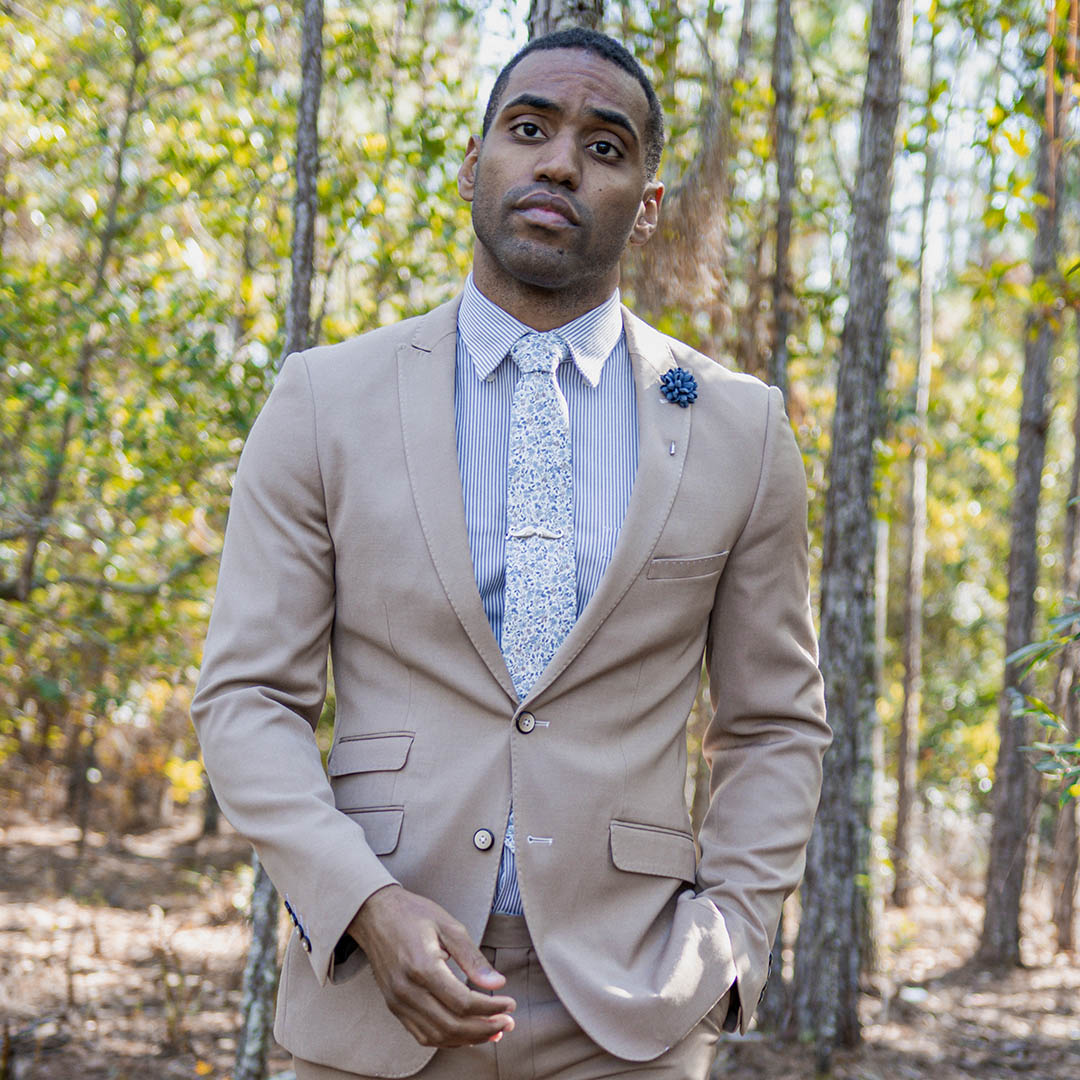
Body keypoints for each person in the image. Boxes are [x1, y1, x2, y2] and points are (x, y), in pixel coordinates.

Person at [192, 27, 829, 1080]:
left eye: (604, 146)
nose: (560, 163)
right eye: (528, 129)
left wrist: (730, 945)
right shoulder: (323, 400)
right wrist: (363, 905)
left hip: (633, 1011)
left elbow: (774, 724)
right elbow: (247, 697)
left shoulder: (738, 428)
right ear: (472, 164)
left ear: (647, 206)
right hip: (377, 997)